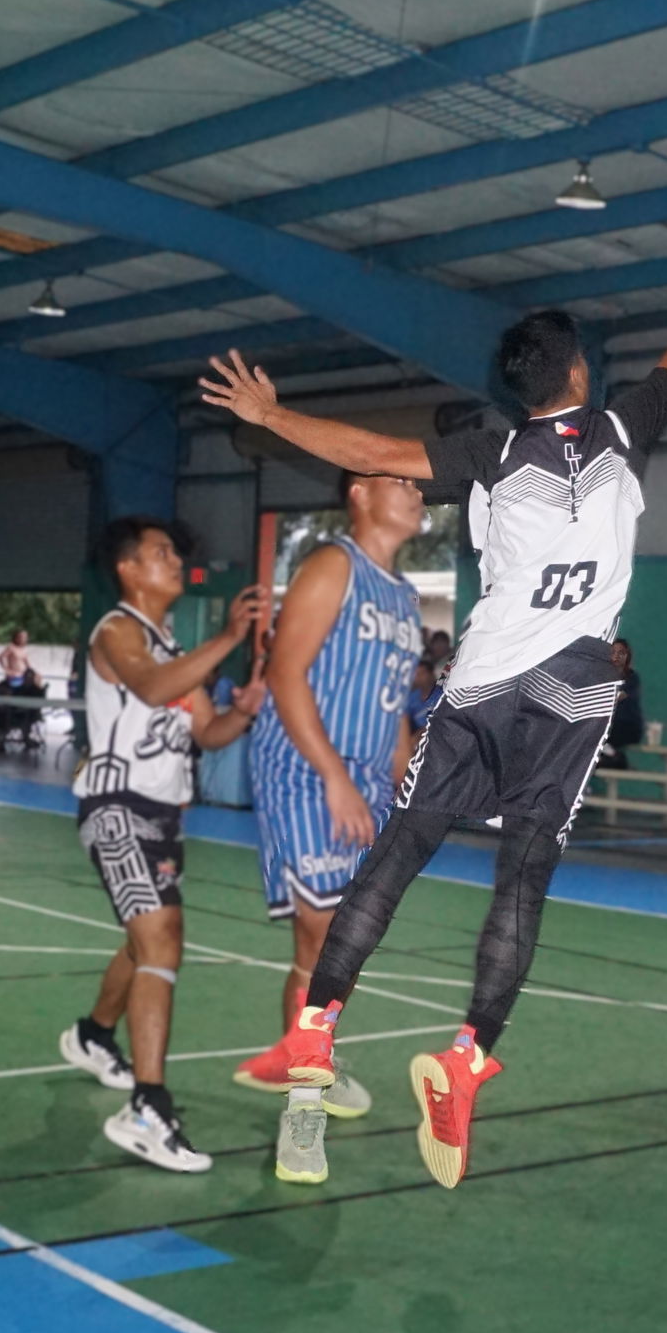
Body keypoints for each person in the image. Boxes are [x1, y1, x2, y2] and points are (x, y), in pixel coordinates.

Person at [200, 219, 667, 1189]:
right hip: (571, 683)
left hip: (484, 678)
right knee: (523, 875)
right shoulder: (623, 428)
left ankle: (313, 1033)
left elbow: (365, 446)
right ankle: (465, 1059)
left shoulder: (486, 457)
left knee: (400, 853)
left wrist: (274, 418)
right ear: (579, 374)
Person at [59, 517, 267, 1173]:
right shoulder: (118, 631)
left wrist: (247, 710)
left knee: (144, 938)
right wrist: (231, 636)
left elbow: (207, 731)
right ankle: (148, 1106)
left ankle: (93, 1034)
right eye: (161, 553)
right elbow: (151, 687)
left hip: (161, 815)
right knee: (163, 938)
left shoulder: (170, 644)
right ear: (128, 569)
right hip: (117, 806)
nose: (175, 561)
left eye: (175, 552)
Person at [231, 473, 424, 1182]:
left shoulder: (404, 598)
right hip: (306, 773)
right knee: (322, 938)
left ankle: (313, 1064)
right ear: (359, 497)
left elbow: (394, 705)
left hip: (365, 781)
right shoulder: (332, 565)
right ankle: (303, 1116)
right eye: (395, 480)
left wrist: (409, 786)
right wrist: (336, 777)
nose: (413, 490)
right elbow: (285, 674)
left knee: (341, 949)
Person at [599, 637, 644, 770]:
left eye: (621, 653)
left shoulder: (631, 677)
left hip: (627, 728)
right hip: (608, 727)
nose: (616, 656)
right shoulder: (603, 676)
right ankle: (611, 757)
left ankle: (615, 757)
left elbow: (618, 696)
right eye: (613, 652)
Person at [405, 657, 438, 735]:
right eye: (416, 674)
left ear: (432, 674)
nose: (418, 677)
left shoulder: (443, 693)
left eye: (422, 673)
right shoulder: (410, 699)